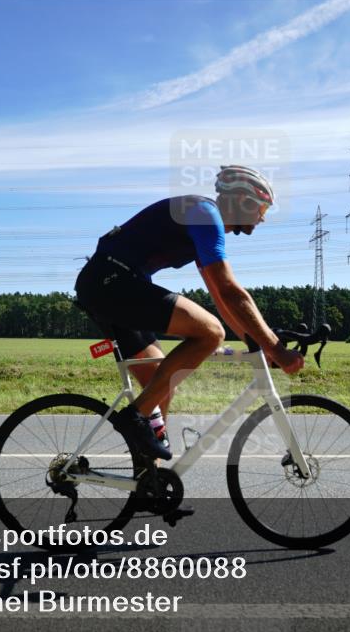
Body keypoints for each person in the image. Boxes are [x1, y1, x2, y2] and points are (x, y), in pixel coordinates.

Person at [74, 165, 305, 461]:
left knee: (161, 386)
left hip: (110, 286)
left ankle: (149, 479)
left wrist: (257, 344)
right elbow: (232, 292)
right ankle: (134, 418)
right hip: (112, 283)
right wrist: (275, 348)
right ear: (242, 200)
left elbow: (222, 299)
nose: (263, 217)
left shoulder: (203, 221)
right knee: (211, 333)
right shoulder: (205, 215)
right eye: (262, 208)